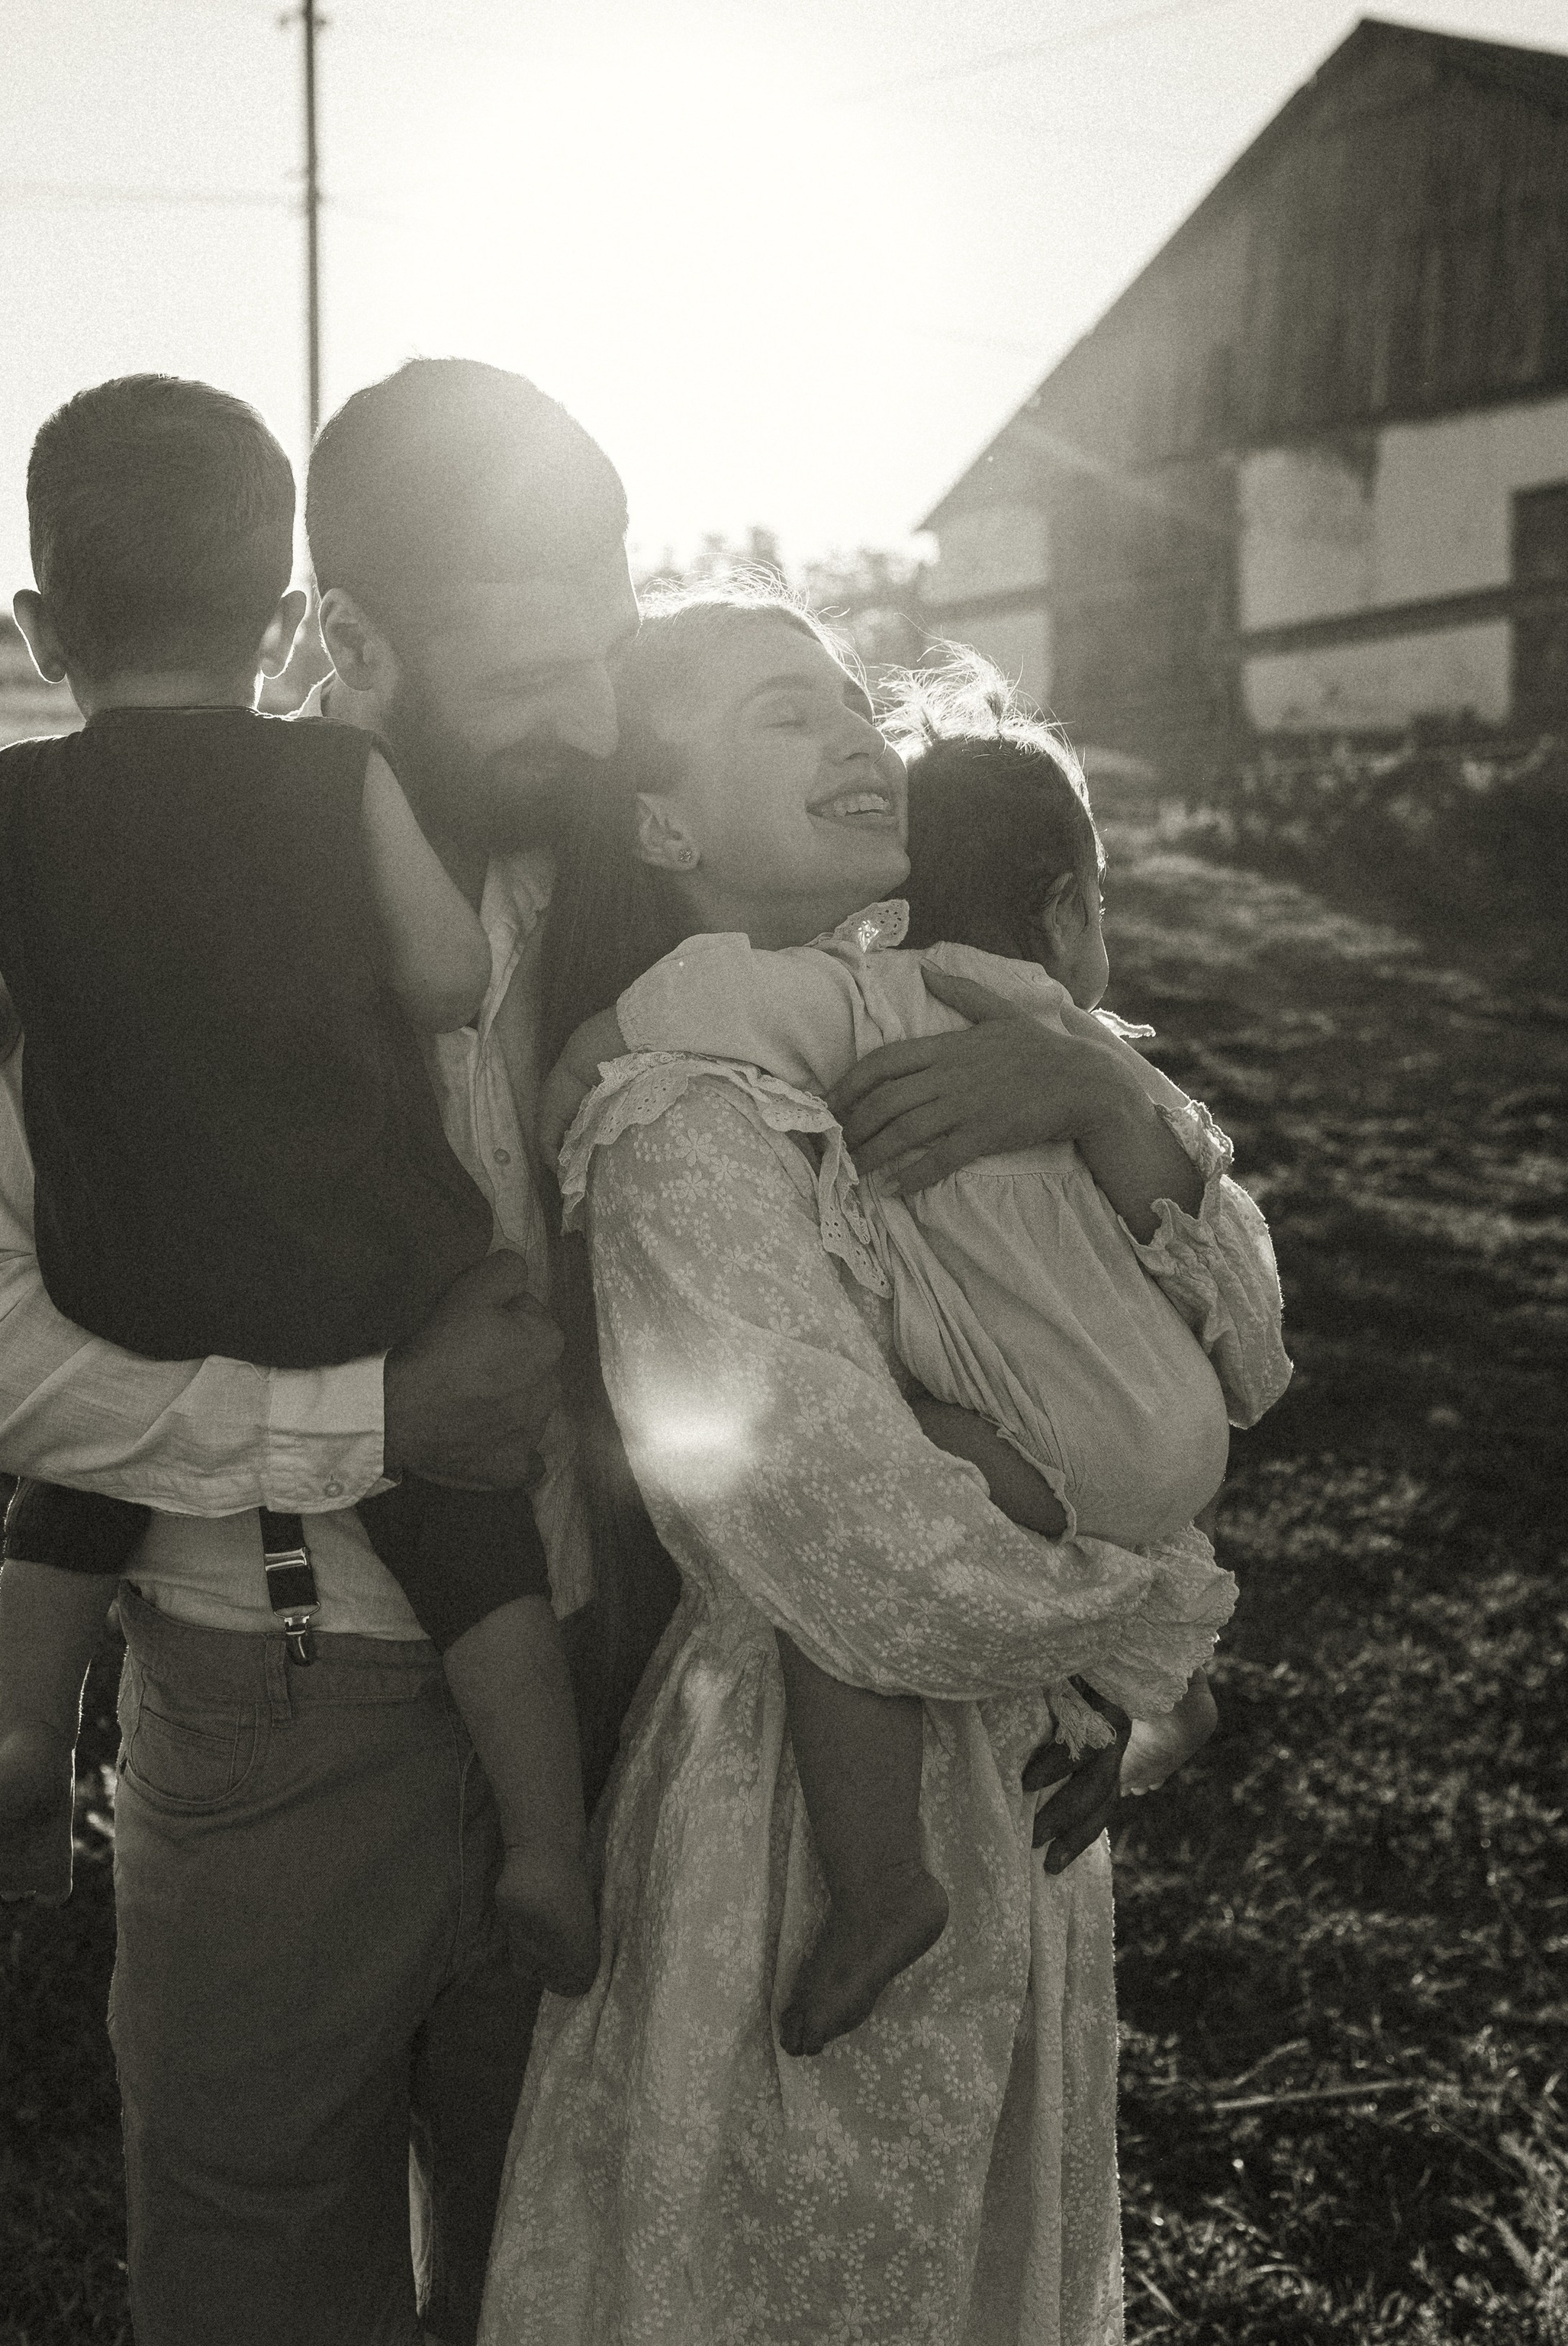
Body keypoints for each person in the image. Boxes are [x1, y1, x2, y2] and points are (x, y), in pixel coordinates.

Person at [0, 369, 1190, 2344]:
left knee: (561, 2273)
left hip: (618, 1720)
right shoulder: (165, 877)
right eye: (534, 674)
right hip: (281, 1712)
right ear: (352, 643)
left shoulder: (663, 913)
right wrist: (360, 1419)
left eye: (605, 649)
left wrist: (1050, 1654)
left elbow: (968, 1308)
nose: (588, 716)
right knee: (262, 2281)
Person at [478, 591, 1292, 2346]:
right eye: (786, 714)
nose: (855, 734)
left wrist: (1092, 1099)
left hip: (1015, 1776)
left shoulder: (963, 1021)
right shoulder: (680, 1106)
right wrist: (1130, 1632)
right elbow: (823, 1522)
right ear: (663, 821)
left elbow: (1233, 1337)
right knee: (819, 2261)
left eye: (856, 703)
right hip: (799, 1793)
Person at [0, 374, 597, 1993]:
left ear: (42, 629)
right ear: (280, 627)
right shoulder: (327, 785)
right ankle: (545, 1842)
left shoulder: (9, 803)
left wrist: (4, 1036)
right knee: (467, 1532)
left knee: (88, 1486)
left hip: (129, 1278)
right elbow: (449, 974)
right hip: (353, 1277)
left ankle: (27, 1745)